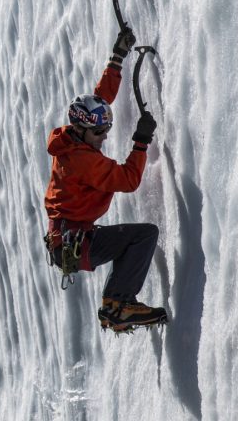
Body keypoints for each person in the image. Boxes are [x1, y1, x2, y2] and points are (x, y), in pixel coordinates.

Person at [44, 28, 167, 332]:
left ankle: (115, 304)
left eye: (105, 130)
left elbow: (100, 100)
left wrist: (117, 57)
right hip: (75, 243)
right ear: (83, 130)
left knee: (132, 239)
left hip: (69, 241)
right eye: (99, 133)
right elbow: (127, 180)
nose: (105, 136)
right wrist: (141, 142)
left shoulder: (73, 140)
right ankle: (119, 304)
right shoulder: (82, 160)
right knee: (144, 235)